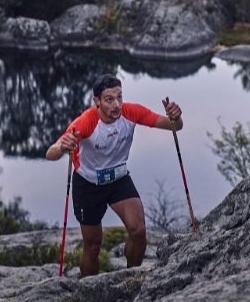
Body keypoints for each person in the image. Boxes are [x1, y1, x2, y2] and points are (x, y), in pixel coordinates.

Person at [45, 73, 184, 276]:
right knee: (92, 247)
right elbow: (51, 153)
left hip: (118, 178)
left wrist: (176, 117)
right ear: (97, 102)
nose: (117, 104)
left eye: (120, 97)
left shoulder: (131, 112)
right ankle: (89, 288)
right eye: (109, 99)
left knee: (139, 232)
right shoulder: (86, 122)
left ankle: (131, 277)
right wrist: (63, 146)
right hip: (88, 183)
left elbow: (174, 127)